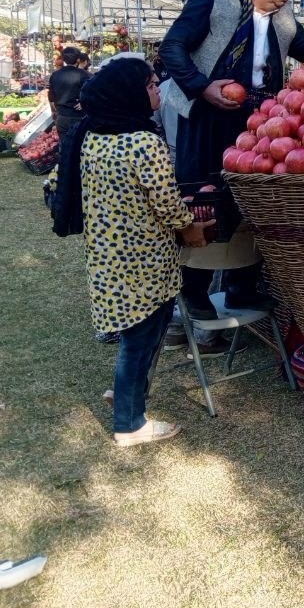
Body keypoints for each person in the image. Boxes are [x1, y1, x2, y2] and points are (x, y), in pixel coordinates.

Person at [160, 0, 304, 320]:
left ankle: (241, 287)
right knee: (203, 200)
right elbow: (172, 46)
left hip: (257, 124)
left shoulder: (284, 20)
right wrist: (201, 85)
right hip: (206, 117)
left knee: (252, 202)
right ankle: (193, 292)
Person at [52, 57, 214, 446]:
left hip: (108, 254)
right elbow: (167, 203)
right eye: (151, 84)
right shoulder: (144, 141)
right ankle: (129, 423)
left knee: (137, 334)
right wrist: (190, 227)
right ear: (130, 94)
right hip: (145, 259)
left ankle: (125, 395)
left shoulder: (93, 136)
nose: (158, 89)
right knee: (140, 339)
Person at [48, 47, 89, 140]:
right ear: (78, 59)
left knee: (64, 146)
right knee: (78, 147)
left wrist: (53, 111)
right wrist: (84, 102)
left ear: (63, 59)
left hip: (61, 116)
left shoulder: (55, 74)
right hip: (78, 116)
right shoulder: (84, 74)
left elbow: (51, 95)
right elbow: (93, 91)